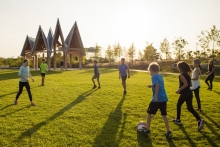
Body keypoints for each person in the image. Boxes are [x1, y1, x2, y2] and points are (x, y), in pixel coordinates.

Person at [173, 61, 205, 131]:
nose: (177, 68)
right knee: (190, 108)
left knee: (178, 105)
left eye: (178, 67)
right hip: (189, 93)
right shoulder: (188, 74)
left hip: (184, 94)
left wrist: (179, 89)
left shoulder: (181, 75)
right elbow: (190, 85)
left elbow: (186, 84)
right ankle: (199, 120)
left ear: (181, 68)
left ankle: (178, 120)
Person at [145, 62, 172, 138]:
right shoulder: (160, 76)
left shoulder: (153, 77)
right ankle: (168, 131)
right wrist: (151, 86)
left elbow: (157, 85)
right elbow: (158, 84)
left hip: (157, 99)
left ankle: (147, 130)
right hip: (164, 98)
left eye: (149, 71)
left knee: (149, 113)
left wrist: (156, 97)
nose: (149, 72)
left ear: (152, 70)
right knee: (164, 115)